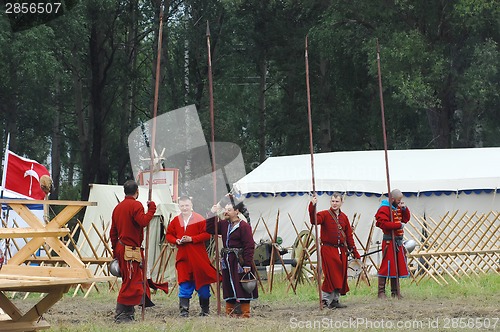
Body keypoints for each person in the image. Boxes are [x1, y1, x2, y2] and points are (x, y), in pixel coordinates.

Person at [110, 180, 157, 323]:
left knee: (130, 281)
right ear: (137, 191)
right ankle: (121, 315)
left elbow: (113, 233)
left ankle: (128, 313)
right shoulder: (136, 205)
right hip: (130, 250)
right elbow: (143, 221)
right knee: (130, 283)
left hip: (121, 248)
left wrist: (115, 251)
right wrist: (152, 209)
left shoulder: (118, 207)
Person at [166, 196, 219, 317]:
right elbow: (169, 234)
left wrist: (192, 239)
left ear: (191, 206)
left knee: (203, 285)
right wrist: (176, 240)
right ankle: (184, 311)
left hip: (198, 257)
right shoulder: (176, 220)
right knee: (184, 283)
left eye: (187, 205)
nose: (184, 208)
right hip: (183, 257)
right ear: (179, 206)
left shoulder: (199, 218)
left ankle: (205, 310)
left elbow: (207, 234)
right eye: (182, 206)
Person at [206, 196, 257, 318]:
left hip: (239, 260)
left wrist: (247, 264)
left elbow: (249, 246)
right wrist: (212, 213)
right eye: (226, 209)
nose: (226, 212)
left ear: (237, 211)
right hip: (227, 260)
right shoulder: (224, 224)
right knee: (228, 284)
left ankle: (245, 313)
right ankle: (231, 312)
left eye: (229, 210)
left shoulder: (244, 226)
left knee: (241, 284)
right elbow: (209, 228)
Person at [308, 192, 360, 309]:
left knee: (340, 275)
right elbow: (314, 220)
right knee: (331, 275)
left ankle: (335, 300)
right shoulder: (324, 214)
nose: (334, 203)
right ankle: (325, 301)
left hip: (341, 250)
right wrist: (312, 206)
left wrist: (354, 251)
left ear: (341, 202)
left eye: (337, 201)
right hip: (328, 249)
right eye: (333, 201)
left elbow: (349, 236)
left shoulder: (344, 217)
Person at [375, 188, 411, 299]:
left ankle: (395, 291)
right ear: (392, 199)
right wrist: (398, 226)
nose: (400, 202)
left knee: (397, 266)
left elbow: (405, 219)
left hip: (398, 241)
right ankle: (381, 292)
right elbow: (384, 225)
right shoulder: (384, 209)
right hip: (389, 242)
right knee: (387, 265)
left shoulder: (397, 208)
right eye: (398, 200)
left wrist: (405, 209)